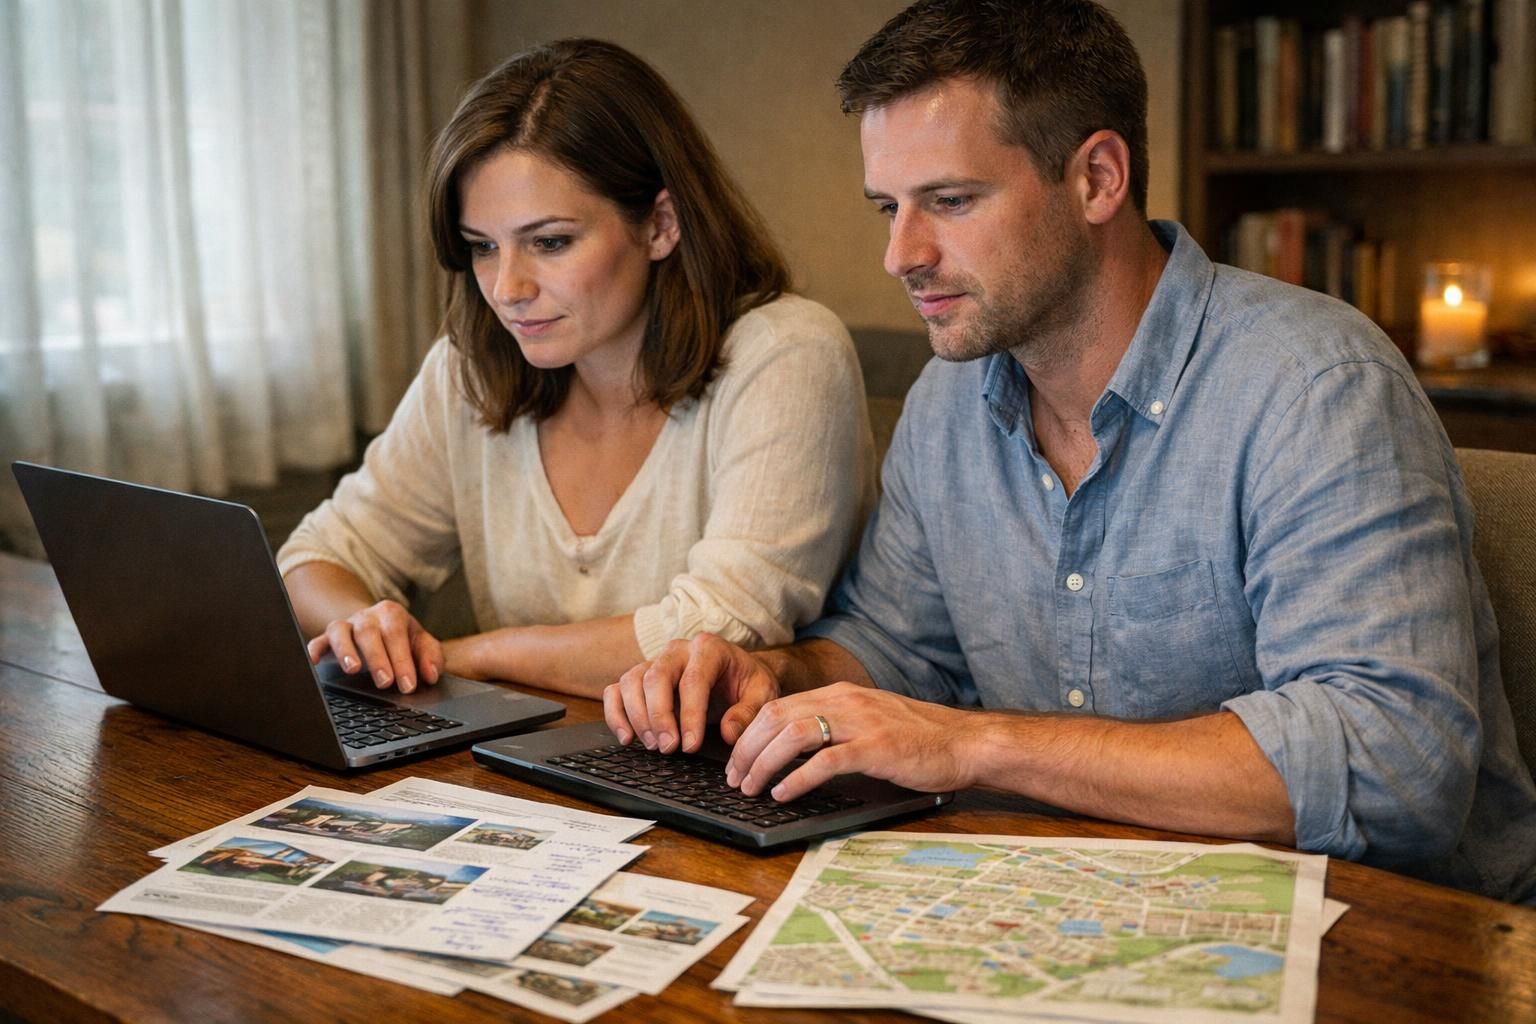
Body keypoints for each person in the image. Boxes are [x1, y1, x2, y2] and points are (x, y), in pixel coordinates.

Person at [605, 0, 1536, 904]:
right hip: (1081, 910)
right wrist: (772, 674)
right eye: (887, 206)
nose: (900, 253)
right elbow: (896, 652)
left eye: (951, 201)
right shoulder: (948, 404)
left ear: (1097, 178)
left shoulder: (1315, 388)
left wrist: (977, 745)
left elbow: (1395, 763)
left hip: (1402, 940)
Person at [278, 40, 874, 698]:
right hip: (524, 776)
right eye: (482, 247)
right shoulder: (471, 367)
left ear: (660, 224)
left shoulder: (787, 354)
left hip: (739, 781)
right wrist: (367, 628)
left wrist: (467, 656)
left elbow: (721, 629)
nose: (506, 288)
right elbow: (316, 558)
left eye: (550, 242)